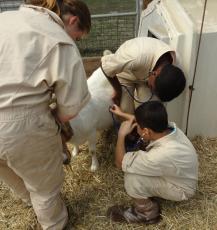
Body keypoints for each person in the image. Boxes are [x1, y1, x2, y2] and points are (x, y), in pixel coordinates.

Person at [0, 0, 91, 229]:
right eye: (78, 36)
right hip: (17, 125)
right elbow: (69, 109)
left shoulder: (5, 19)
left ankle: (29, 201)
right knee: (45, 187)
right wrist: (55, 118)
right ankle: (53, 223)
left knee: (6, 168)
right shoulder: (60, 40)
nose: (75, 41)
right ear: (73, 21)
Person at [107, 102, 198, 224]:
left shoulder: (160, 155)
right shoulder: (168, 127)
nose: (135, 126)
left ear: (146, 131)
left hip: (181, 189)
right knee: (137, 167)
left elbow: (120, 162)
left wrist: (121, 135)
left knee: (132, 177)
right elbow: (144, 125)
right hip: (180, 175)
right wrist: (122, 114)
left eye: (137, 125)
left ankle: (147, 214)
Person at [101, 37, 186, 114]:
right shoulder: (135, 57)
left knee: (150, 112)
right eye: (152, 88)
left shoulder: (176, 65)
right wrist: (118, 90)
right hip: (126, 72)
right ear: (154, 74)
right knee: (125, 110)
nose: (152, 91)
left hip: (145, 74)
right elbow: (105, 67)